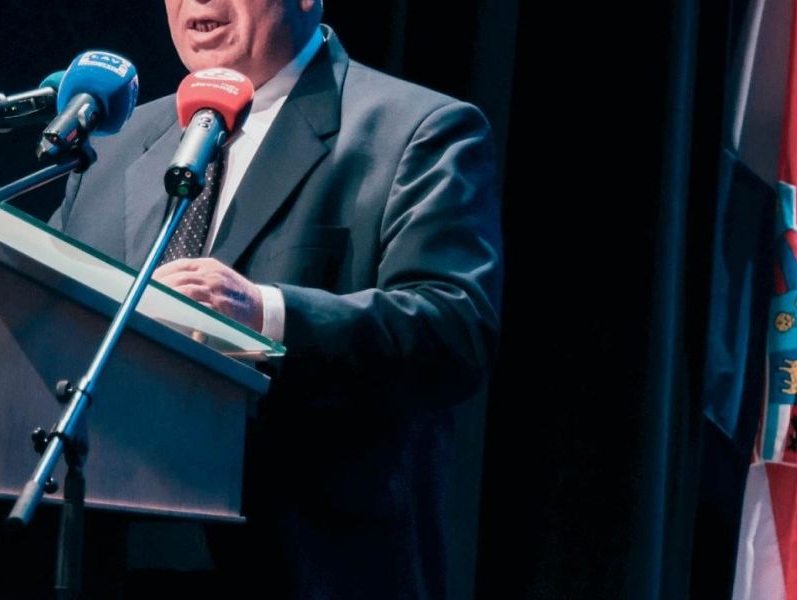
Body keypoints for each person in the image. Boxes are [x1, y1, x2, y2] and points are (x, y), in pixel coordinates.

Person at [50, 0, 502, 597]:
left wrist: (266, 313)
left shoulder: (415, 129)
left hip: (308, 566)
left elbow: (454, 327)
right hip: (98, 558)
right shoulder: (113, 147)